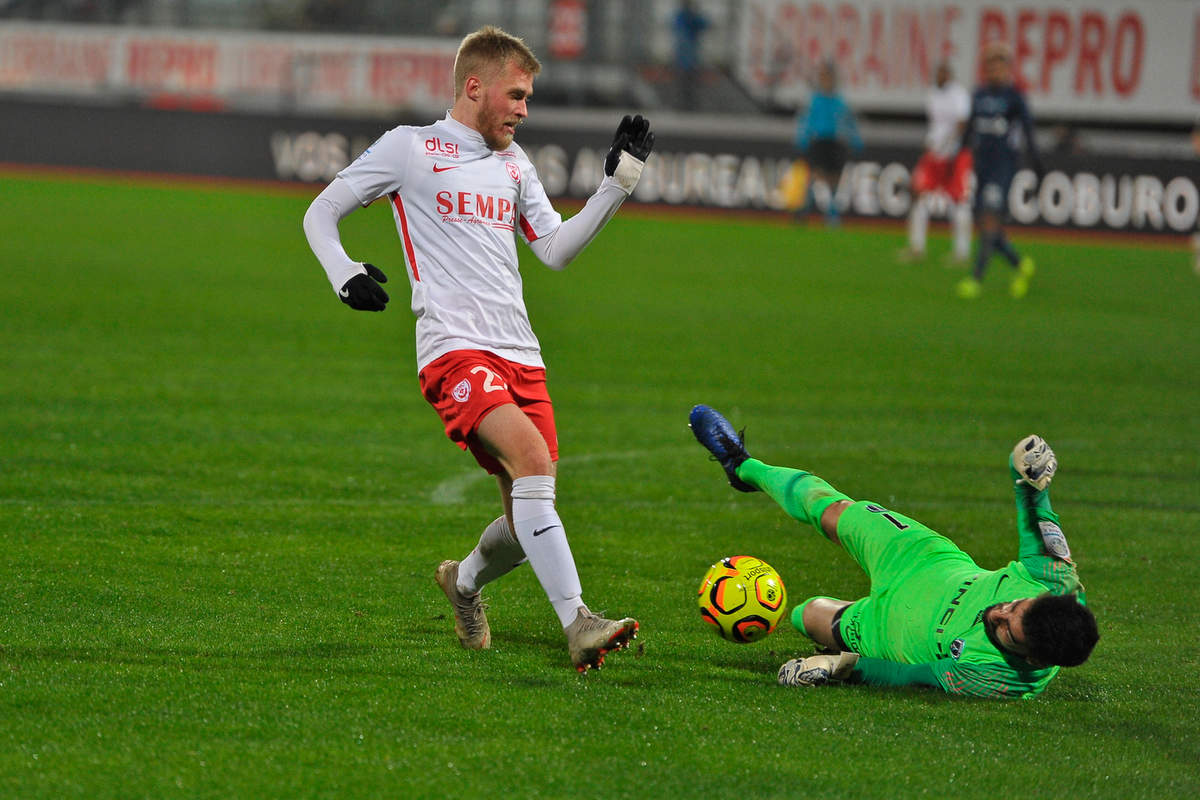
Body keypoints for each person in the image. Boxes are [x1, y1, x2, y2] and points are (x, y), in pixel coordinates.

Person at [302, 26, 655, 673]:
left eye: (527, 98)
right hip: (453, 350)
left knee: (527, 521)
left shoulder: (514, 166)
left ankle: (462, 583)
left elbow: (553, 250)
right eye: (516, 95)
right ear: (475, 87)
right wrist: (343, 271)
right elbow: (319, 213)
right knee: (532, 463)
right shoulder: (410, 150)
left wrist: (616, 186)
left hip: (522, 355)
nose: (524, 109)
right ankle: (578, 621)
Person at [688, 404, 1098, 699]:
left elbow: (914, 676)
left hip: (890, 630)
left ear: (1034, 659)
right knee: (833, 510)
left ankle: (838, 634)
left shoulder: (1001, 681)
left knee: (806, 615)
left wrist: (839, 667)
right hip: (926, 561)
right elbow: (1034, 505)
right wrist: (1026, 472)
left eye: (1008, 630)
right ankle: (741, 465)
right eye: (1015, 605)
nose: (998, 612)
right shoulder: (1056, 580)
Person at [957, 42, 1044, 299]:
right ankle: (1020, 265)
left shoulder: (1014, 98)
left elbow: (1028, 132)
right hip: (981, 167)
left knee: (990, 220)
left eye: (999, 67)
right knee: (985, 225)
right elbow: (971, 128)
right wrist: (958, 156)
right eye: (990, 67)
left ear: (1007, 69)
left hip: (1003, 166)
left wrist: (1037, 163)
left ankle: (976, 279)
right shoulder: (979, 96)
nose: (994, 72)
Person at [900, 62, 972, 265]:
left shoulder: (959, 95)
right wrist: (930, 145)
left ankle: (961, 252)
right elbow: (935, 125)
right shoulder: (932, 94)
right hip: (933, 153)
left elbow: (961, 123)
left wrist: (950, 147)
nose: (938, 76)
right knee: (918, 195)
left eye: (942, 72)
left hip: (954, 154)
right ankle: (916, 247)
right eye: (936, 72)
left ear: (949, 74)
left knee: (958, 201)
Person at [793, 61, 862, 227]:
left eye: (828, 76)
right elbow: (806, 121)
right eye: (823, 76)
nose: (826, 80)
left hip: (834, 142)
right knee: (816, 175)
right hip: (818, 141)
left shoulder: (839, 101)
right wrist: (802, 138)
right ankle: (815, 211)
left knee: (833, 180)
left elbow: (848, 122)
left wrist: (855, 140)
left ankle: (819, 211)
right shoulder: (815, 100)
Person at [671, 0, 709, 111]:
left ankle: (688, 106)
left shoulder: (688, 18)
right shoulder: (683, 18)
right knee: (685, 85)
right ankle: (684, 106)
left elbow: (704, 24)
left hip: (689, 59)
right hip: (685, 59)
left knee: (689, 85)